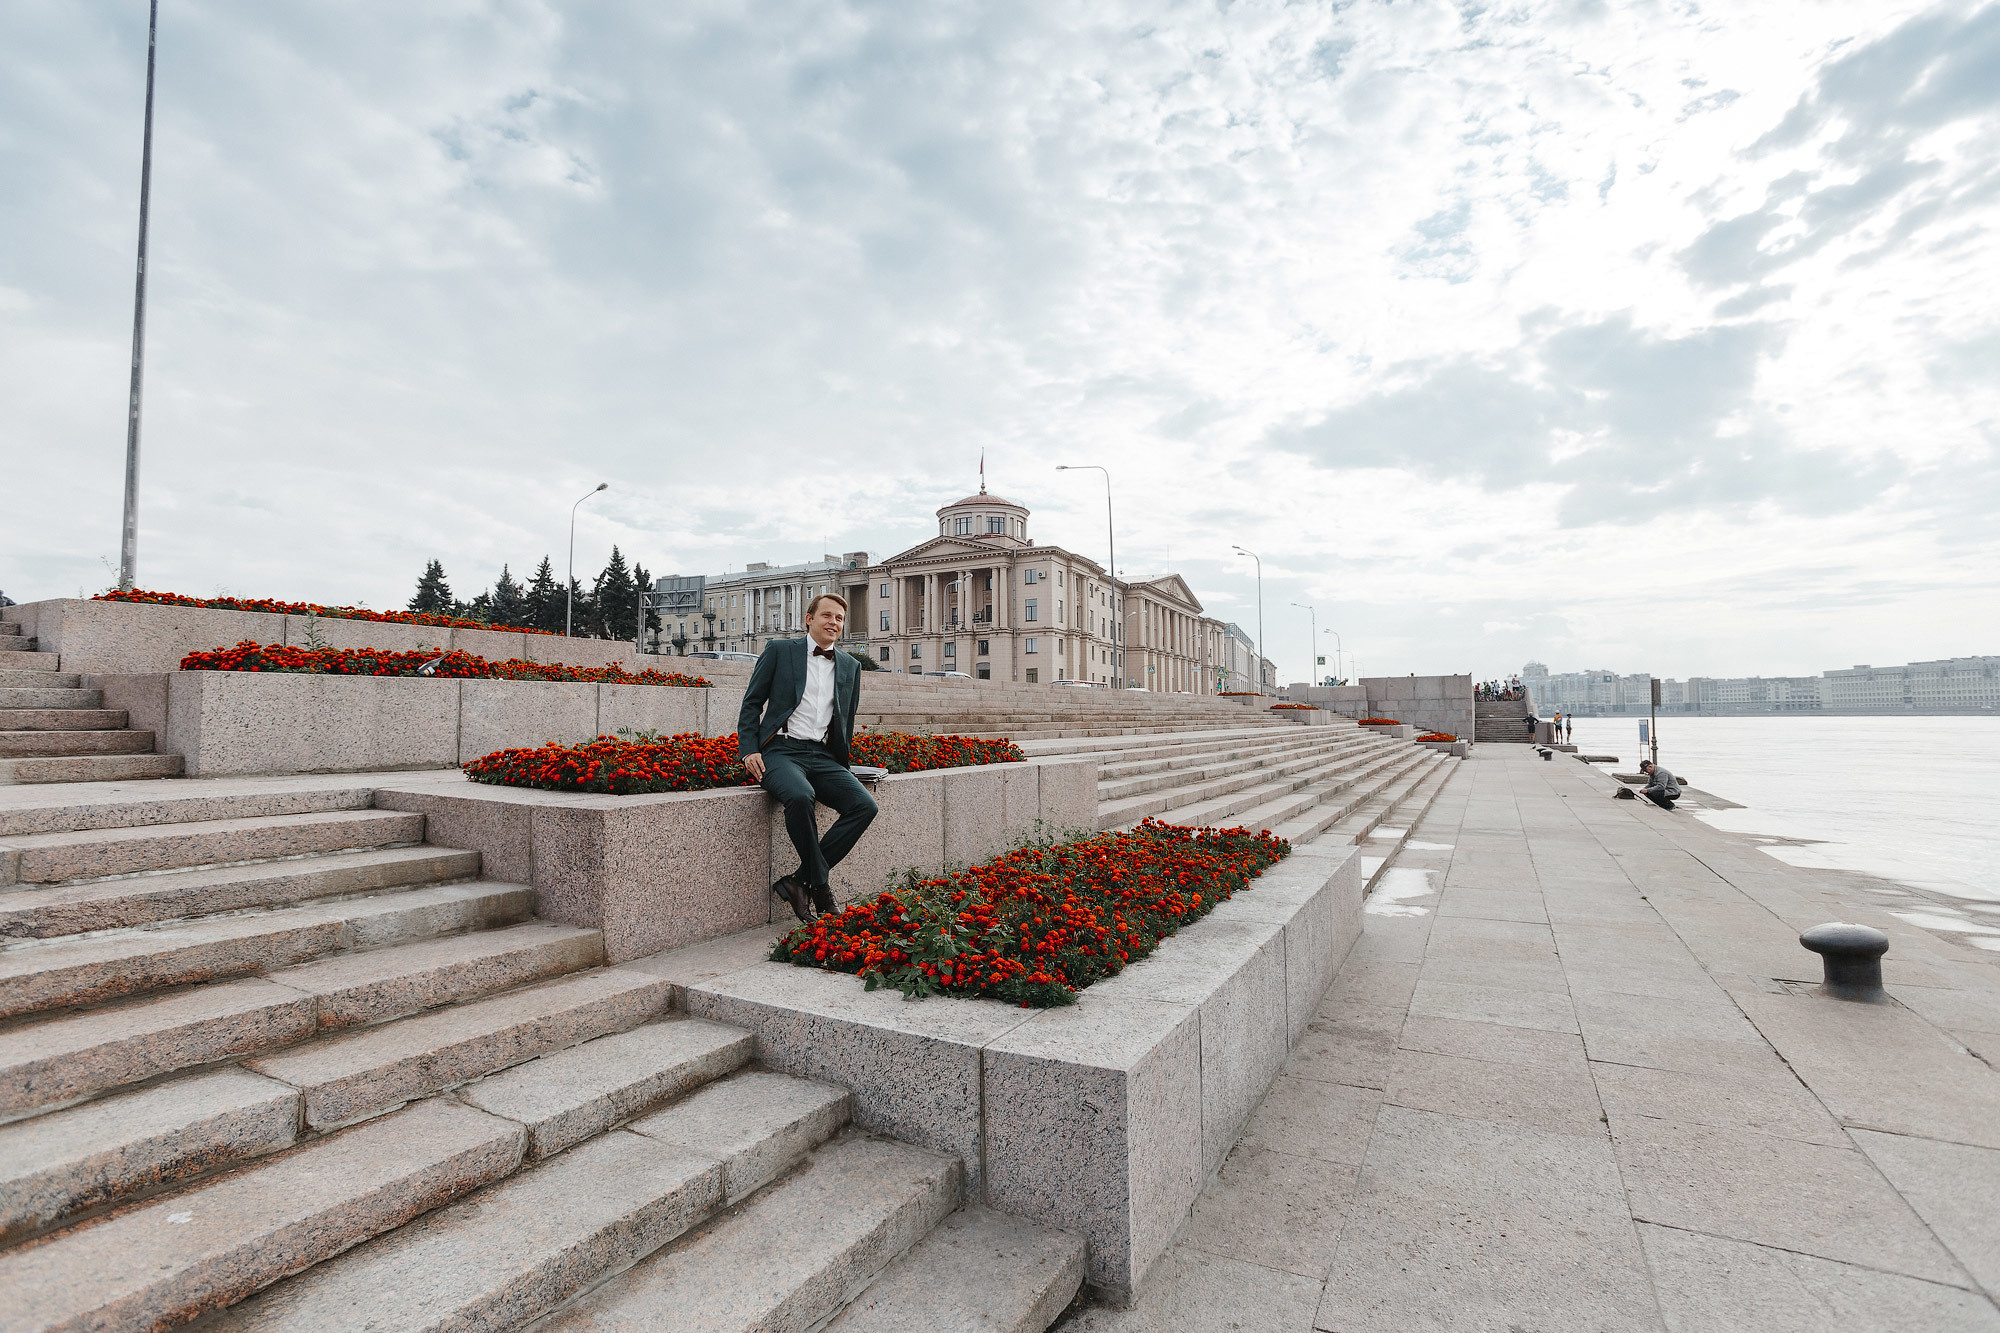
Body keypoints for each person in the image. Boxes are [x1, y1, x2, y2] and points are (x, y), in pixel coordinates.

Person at [739, 592, 877, 922]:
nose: (833, 622)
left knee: (864, 806)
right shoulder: (779, 651)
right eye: (827, 616)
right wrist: (749, 750)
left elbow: (847, 718)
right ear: (809, 618)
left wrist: (841, 766)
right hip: (781, 751)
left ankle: (798, 880)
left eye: (839, 619)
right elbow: (752, 703)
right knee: (800, 796)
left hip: (824, 756)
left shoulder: (850, 666)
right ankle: (820, 887)